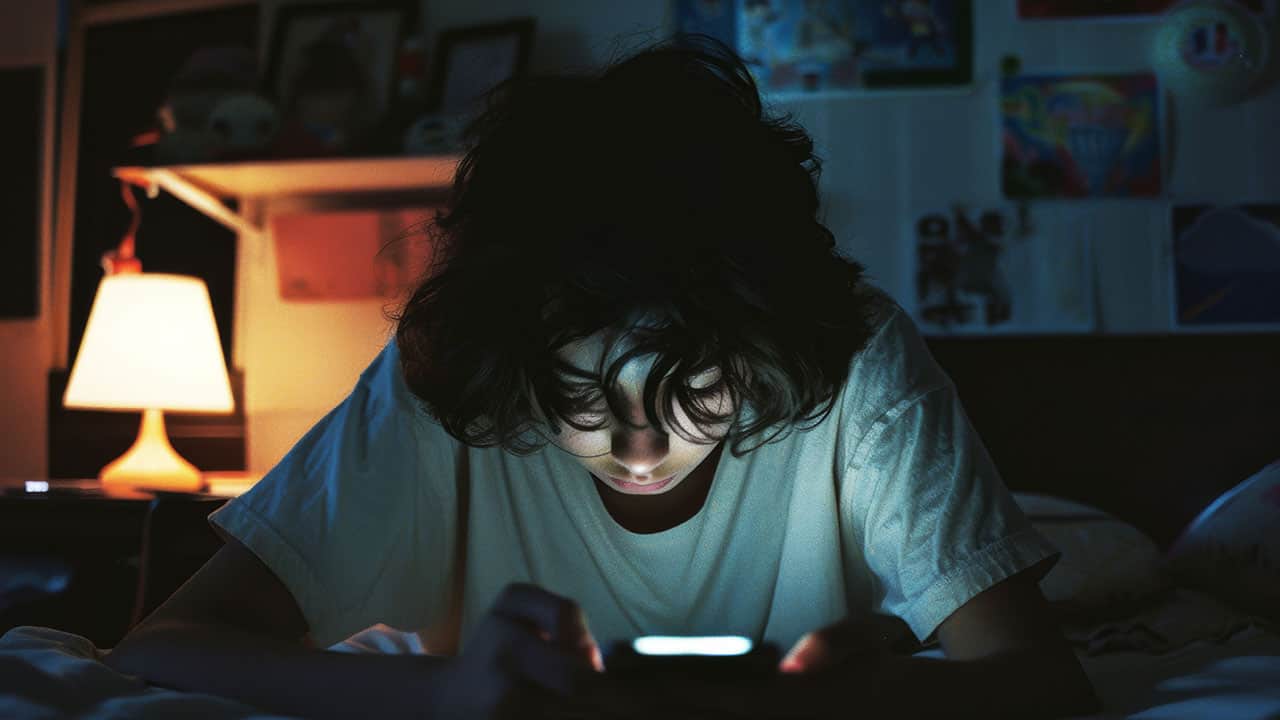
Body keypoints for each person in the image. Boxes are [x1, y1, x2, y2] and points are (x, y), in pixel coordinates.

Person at [105, 35, 1100, 719]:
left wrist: (862, 702)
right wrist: (446, 697)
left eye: (694, 391)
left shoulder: (851, 352)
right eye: (576, 399)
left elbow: (1041, 680)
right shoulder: (454, 370)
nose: (637, 450)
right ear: (516, 357)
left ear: (769, 339)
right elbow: (162, 645)